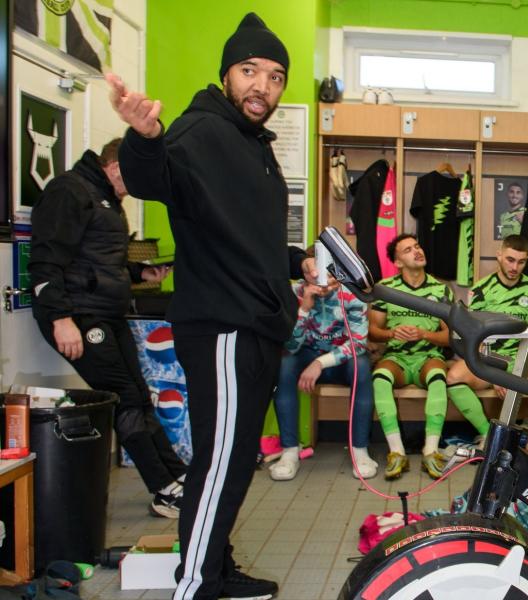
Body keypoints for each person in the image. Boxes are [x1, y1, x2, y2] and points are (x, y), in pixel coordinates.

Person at [107, 13, 317, 600]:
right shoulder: (200, 130)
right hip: (224, 329)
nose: (263, 87)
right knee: (220, 465)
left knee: (230, 460)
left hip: (255, 325)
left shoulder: (254, 145)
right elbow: (157, 179)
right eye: (250, 71)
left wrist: (294, 257)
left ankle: (216, 571)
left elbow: (244, 237)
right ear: (226, 73)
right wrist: (144, 138)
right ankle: (196, 584)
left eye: (276, 77)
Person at [29, 138, 187, 519]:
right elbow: (46, 258)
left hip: (106, 314)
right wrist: (59, 318)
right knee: (124, 398)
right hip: (80, 317)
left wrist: (140, 272)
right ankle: (164, 489)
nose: (138, 185)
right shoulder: (69, 190)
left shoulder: (106, 198)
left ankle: (177, 475)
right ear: (116, 165)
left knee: (138, 394)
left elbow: (99, 263)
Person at [446, 235, 528, 464]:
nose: (514, 267)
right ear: (499, 256)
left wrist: (517, 374)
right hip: (491, 359)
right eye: (510, 260)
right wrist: (494, 375)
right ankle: (488, 436)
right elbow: (476, 337)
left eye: (521, 262)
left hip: (525, 359)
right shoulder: (481, 289)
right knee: (453, 377)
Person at [270, 275, 375, 482]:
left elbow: (358, 344)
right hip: (305, 355)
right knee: (284, 364)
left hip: (339, 361)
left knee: (361, 365)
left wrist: (320, 363)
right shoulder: (295, 293)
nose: (325, 283)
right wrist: (305, 309)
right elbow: (290, 346)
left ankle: (360, 450)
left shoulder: (353, 294)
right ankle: (290, 451)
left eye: (331, 276)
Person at [368, 234, 453, 480]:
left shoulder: (440, 290)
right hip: (397, 358)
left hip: (428, 357)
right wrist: (392, 332)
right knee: (380, 378)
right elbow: (373, 331)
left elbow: (450, 337)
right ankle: (397, 453)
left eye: (418, 246)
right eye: (408, 250)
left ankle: (431, 451)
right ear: (398, 262)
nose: (417, 251)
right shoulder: (385, 289)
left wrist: (425, 334)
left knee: (438, 377)